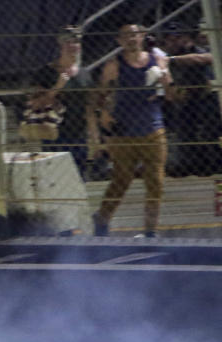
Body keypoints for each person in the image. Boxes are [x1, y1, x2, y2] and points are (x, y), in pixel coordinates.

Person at [87, 24, 172, 238]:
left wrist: (165, 79)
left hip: (153, 129)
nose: (131, 39)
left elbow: (172, 94)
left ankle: (150, 230)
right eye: (126, 36)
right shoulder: (114, 65)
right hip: (123, 132)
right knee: (121, 180)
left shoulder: (158, 60)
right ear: (119, 41)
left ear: (143, 36)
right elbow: (100, 95)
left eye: (135, 34)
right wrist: (104, 113)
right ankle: (102, 218)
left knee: (156, 182)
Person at [28, 25, 92, 178]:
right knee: (56, 179)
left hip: (79, 135)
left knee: (79, 178)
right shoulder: (46, 72)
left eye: (75, 41)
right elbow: (35, 103)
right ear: (60, 44)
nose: (72, 45)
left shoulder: (84, 73)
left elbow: (89, 106)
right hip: (54, 134)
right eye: (67, 41)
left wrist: (94, 134)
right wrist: (57, 87)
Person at [163, 23, 222, 176]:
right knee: (185, 133)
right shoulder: (166, 59)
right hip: (186, 101)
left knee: (209, 133)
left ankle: (213, 165)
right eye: (169, 40)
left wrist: (171, 59)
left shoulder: (195, 52)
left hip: (205, 99)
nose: (172, 43)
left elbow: (206, 58)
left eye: (176, 39)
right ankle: (190, 165)